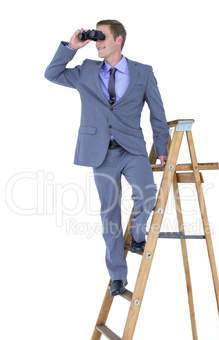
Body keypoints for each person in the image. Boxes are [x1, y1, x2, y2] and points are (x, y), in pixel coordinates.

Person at [45, 20, 169, 296]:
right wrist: (72, 47)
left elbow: (157, 112)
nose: (98, 43)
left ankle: (138, 235)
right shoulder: (86, 71)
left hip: (131, 148)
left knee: (148, 194)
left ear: (119, 40)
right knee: (109, 217)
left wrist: (162, 146)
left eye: (103, 38)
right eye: (96, 38)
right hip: (99, 152)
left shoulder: (143, 72)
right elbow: (51, 74)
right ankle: (117, 275)